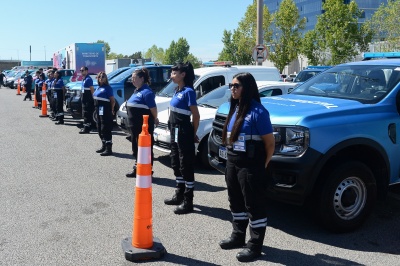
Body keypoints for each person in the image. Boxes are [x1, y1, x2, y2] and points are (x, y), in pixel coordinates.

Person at [218, 72, 275, 263]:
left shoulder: (258, 112)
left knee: (254, 205)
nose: (232, 89)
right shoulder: (234, 109)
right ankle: (238, 236)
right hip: (233, 161)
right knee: (235, 200)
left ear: (247, 88)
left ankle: (255, 246)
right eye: (231, 86)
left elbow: (270, 144)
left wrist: (263, 165)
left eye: (236, 86)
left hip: (251, 165)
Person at [163, 62, 200, 215]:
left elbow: (196, 115)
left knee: (186, 164)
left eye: (174, 72)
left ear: (183, 74)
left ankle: (188, 201)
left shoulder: (188, 92)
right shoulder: (177, 90)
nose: (171, 74)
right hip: (174, 131)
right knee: (175, 161)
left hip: (184, 131)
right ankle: (179, 194)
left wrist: (193, 133)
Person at [125, 68, 159, 177]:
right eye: (132, 78)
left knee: (146, 149)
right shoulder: (136, 91)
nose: (132, 80)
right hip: (134, 127)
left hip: (143, 128)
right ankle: (137, 168)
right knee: (136, 149)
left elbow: (153, 108)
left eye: (134, 78)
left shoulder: (147, 92)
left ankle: (148, 171)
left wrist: (156, 118)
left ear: (142, 78)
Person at [93, 72, 116, 156]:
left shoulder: (108, 88)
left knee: (105, 128)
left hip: (105, 110)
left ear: (106, 78)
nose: (102, 78)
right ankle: (103, 145)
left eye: (103, 77)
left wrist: (112, 109)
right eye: (100, 77)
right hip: (98, 110)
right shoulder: (98, 87)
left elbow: (112, 100)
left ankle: (109, 148)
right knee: (99, 128)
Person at [79, 66, 95, 134]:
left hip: (88, 100)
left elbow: (92, 89)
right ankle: (86, 126)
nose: (81, 72)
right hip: (84, 99)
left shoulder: (88, 79)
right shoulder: (84, 79)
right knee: (85, 113)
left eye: (82, 70)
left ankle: (87, 128)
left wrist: (93, 98)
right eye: (80, 70)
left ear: (86, 71)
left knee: (87, 113)